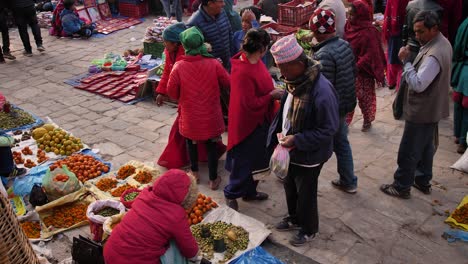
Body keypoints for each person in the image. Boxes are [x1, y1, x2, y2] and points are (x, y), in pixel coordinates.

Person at [267, 35, 339, 246]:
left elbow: (328, 129)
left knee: (306, 192)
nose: (281, 74)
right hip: (292, 150)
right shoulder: (295, 81)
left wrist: (297, 139)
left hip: (310, 154)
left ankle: (309, 228)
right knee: (290, 185)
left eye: (284, 69)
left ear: (299, 64)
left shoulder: (322, 91)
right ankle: (294, 218)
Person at [380, 11, 452, 199]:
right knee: (426, 145)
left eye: (421, 32)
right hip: (432, 108)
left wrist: (406, 62)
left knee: (409, 149)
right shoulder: (442, 43)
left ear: (434, 28)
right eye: (415, 32)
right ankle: (422, 180)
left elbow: (419, 84)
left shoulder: (434, 53)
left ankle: (402, 185)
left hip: (422, 109)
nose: (417, 36)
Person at [224, 28, 283, 211]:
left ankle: (250, 191)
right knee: (244, 162)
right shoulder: (243, 71)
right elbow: (248, 103)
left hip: (260, 120)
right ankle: (231, 193)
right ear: (263, 48)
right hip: (248, 124)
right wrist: (271, 95)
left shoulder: (254, 62)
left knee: (259, 160)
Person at [156, 23, 227, 170]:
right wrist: (161, 92)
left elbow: (173, 90)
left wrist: (179, 97)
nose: (164, 45)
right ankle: (212, 177)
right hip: (199, 104)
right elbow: (227, 82)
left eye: (166, 42)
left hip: (191, 105)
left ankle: (189, 167)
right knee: (206, 136)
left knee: (187, 135)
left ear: (177, 43)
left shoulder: (185, 59)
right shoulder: (210, 62)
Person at [103, 169, 200, 264]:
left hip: (110, 250)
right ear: (188, 196)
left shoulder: (144, 195)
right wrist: (196, 256)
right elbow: (190, 251)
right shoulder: (176, 215)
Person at [310, 9, 358, 194]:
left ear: (317, 32)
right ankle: (348, 180)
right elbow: (353, 72)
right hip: (345, 102)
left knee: (321, 143)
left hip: (334, 107)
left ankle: (306, 178)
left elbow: (323, 89)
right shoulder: (344, 45)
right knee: (341, 142)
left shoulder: (324, 55)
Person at [345, 0, 386, 131]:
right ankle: (345, 123)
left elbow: (371, 53)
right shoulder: (348, 26)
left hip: (363, 72)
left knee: (365, 99)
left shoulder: (369, 31)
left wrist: (357, 66)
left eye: (352, 15)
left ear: (360, 15)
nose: (349, 17)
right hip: (349, 69)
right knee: (348, 98)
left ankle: (367, 120)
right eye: (349, 14)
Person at [187, 0, 234, 70]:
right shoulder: (193, 23)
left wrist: (231, 57)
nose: (224, 4)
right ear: (210, 3)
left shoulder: (222, 12)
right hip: (210, 70)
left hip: (228, 65)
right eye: (220, 1)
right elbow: (193, 51)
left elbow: (230, 34)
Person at [382, 0, 410, 90]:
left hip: (394, 32)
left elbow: (388, 16)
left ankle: (392, 83)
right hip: (406, 31)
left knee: (394, 60)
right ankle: (398, 85)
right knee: (401, 61)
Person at [452, 17, 468, 154]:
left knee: (459, 105)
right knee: (466, 109)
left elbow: (457, 47)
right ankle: (463, 141)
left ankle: (457, 136)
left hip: (460, 70)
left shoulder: (464, 23)